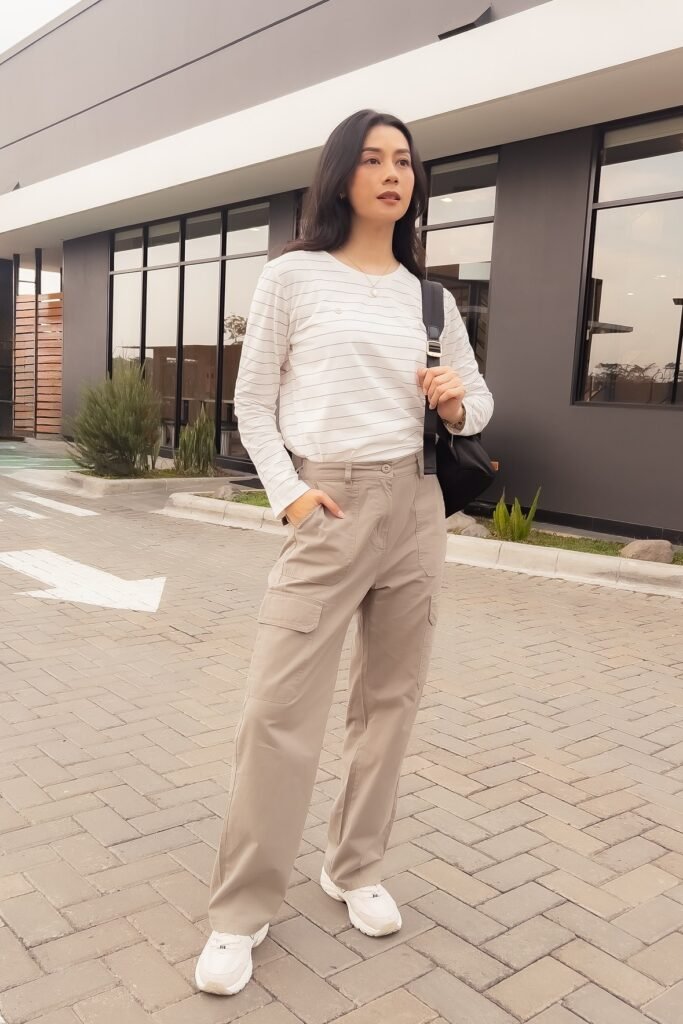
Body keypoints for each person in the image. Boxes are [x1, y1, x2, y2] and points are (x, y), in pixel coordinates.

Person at [195, 108, 494, 996]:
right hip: (327, 501)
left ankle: (352, 867)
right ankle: (240, 913)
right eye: (371, 160)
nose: (391, 174)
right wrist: (289, 495)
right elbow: (251, 402)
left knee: (389, 703)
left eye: (403, 161)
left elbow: (478, 405)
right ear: (340, 176)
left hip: (413, 504)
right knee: (278, 709)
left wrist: (450, 403)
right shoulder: (292, 277)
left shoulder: (429, 297)